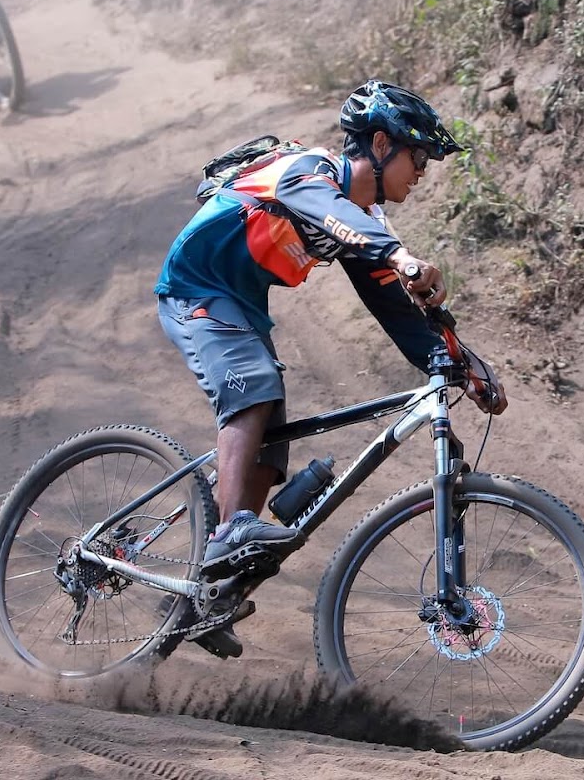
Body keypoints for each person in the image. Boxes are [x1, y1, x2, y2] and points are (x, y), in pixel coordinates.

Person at [155, 79, 509, 656]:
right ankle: (226, 534)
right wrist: (398, 254)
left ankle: (207, 594)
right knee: (256, 387)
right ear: (380, 144)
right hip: (195, 289)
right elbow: (330, 213)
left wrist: (466, 366)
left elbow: (398, 312)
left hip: (241, 310)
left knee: (271, 453)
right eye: (418, 157)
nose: (422, 172)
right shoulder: (308, 172)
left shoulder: (362, 224)